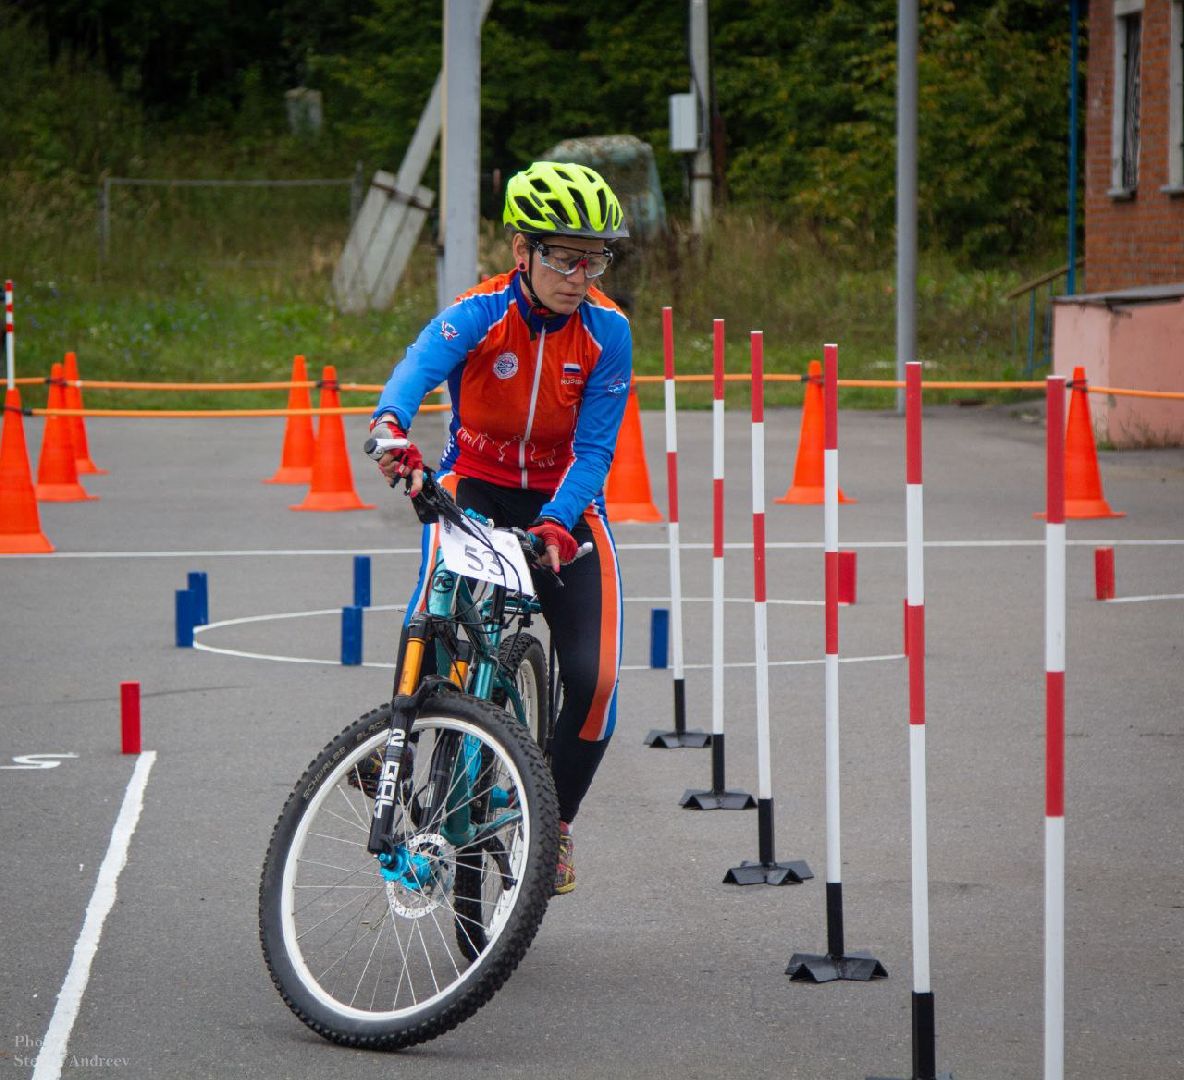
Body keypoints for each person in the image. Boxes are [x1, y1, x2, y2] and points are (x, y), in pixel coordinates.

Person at [370, 160, 632, 896]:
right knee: (430, 612)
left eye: (594, 258)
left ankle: (556, 823)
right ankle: (395, 753)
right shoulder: (480, 312)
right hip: (476, 487)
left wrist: (555, 523)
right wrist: (392, 427)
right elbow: (418, 368)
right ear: (522, 252)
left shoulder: (608, 333)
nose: (580, 274)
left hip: (564, 503)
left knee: (597, 675)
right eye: (563, 256)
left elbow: (597, 450)